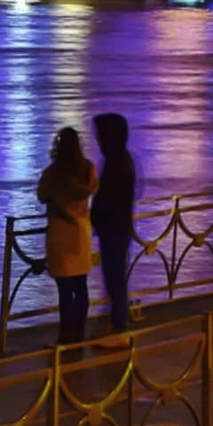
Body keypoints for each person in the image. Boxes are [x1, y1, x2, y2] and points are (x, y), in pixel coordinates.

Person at [38, 128, 98, 345]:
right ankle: (79, 332)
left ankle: (65, 335)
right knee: (81, 286)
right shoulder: (88, 170)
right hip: (82, 231)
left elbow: (41, 194)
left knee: (64, 289)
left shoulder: (54, 173)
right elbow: (92, 187)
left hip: (60, 232)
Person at [91, 113, 136, 346]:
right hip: (116, 228)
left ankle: (120, 329)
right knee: (115, 279)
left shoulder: (117, 163)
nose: (96, 139)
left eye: (99, 134)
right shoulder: (119, 159)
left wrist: (97, 216)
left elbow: (109, 198)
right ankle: (117, 323)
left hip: (114, 230)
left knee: (115, 279)